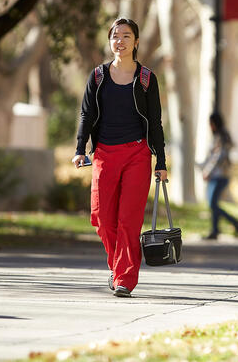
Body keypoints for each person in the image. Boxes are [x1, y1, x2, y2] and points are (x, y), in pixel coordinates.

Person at [73, 18, 167, 298]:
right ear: (110, 41)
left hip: (137, 154)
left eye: (127, 36)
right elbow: (86, 114)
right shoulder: (99, 76)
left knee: (128, 220)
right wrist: (80, 148)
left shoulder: (146, 78)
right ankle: (118, 265)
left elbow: (155, 121)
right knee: (101, 217)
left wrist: (160, 161)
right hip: (104, 153)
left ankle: (125, 277)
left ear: (136, 42)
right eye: (115, 36)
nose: (120, 41)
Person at [200, 112, 238, 240]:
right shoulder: (222, 135)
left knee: (212, 203)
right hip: (220, 174)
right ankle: (215, 230)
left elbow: (218, 157)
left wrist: (207, 170)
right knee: (213, 203)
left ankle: (234, 222)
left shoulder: (221, 136)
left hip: (219, 175)